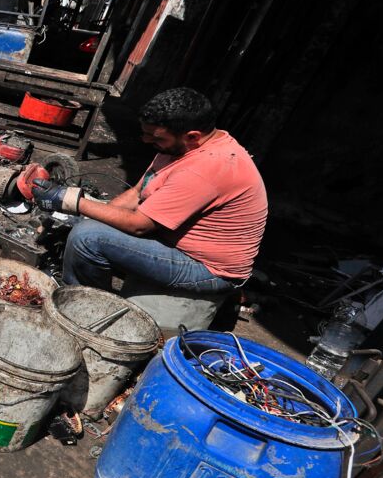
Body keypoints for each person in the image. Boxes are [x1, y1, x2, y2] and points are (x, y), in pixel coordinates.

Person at [30, 87, 267, 317]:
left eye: (155, 137)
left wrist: (69, 200)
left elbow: (139, 225)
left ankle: (86, 310)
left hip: (208, 269)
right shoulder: (181, 147)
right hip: (175, 244)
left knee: (87, 238)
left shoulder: (208, 168)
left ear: (192, 136)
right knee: (86, 224)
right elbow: (137, 192)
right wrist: (87, 215)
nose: (145, 140)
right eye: (144, 133)